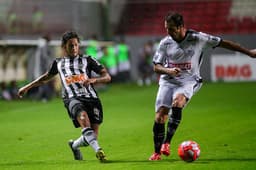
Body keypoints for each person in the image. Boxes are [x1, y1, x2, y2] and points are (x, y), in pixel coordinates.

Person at [149, 11, 256, 161]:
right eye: (166, 28)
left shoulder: (198, 38)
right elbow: (156, 67)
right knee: (160, 116)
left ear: (181, 27)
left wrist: (249, 53)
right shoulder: (165, 42)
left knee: (177, 102)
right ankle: (156, 153)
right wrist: (168, 70)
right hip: (168, 80)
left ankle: (167, 143)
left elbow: (224, 43)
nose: (168, 32)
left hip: (188, 80)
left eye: (171, 28)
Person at [18, 31, 111, 162]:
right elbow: (45, 78)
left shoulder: (88, 60)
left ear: (79, 45)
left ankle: (74, 145)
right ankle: (99, 151)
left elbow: (107, 76)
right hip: (72, 99)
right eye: (70, 45)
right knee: (83, 119)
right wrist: (27, 87)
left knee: (92, 136)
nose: (73, 48)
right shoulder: (58, 63)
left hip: (92, 99)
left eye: (75, 45)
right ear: (64, 47)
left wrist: (94, 80)